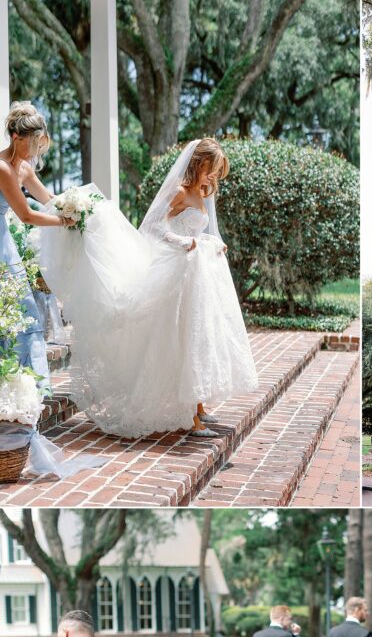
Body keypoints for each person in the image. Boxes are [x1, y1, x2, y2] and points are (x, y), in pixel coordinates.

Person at [38, 137, 259, 439]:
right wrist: (182, 242)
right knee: (182, 340)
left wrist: (211, 242)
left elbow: (199, 231)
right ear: (198, 163)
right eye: (211, 169)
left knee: (198, 337)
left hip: (198, 273)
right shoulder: (180, 191)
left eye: (218, 172)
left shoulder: (204, 192)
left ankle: (198, 406)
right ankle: (191, 416)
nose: (214, 177)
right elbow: (154, 226)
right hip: (177, 272)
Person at [0, 102, 73, 387]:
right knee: (17, 309)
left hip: (4, 239)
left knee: (21, 311)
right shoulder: (3, 168)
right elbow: (26, 215)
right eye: (31, 143)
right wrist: (62, 222)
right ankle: (15, 384)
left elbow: (49, 202)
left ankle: (22, 385)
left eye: (38, 144)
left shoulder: (25, 168)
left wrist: (76, 210)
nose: (34, 150)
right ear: (16, 137)